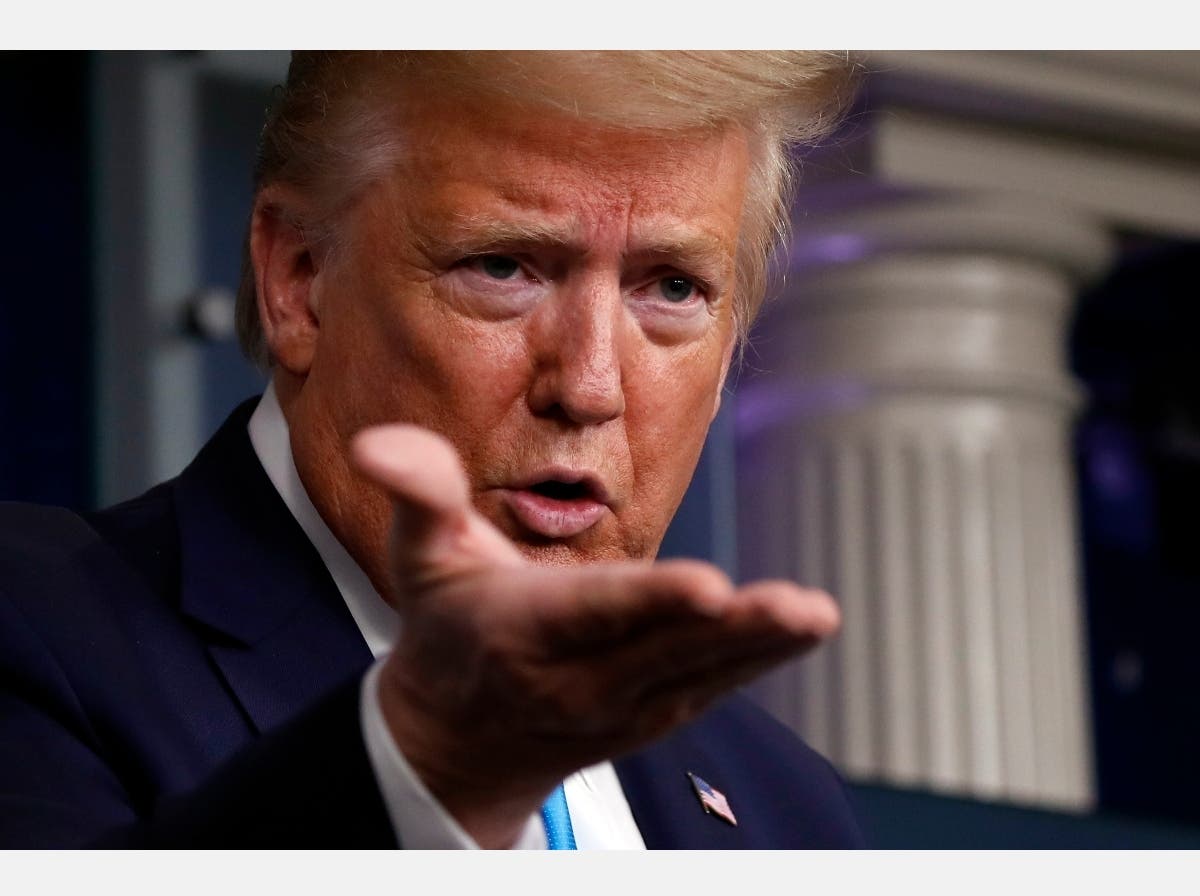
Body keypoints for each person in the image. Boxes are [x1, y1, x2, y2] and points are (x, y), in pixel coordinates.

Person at [0, 50, 864, 849]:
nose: (591, 384)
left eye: (673, 287)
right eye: (502, 267)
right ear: (298, 280)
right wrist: (424, 776)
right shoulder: (34, 628)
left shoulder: (793, 807)